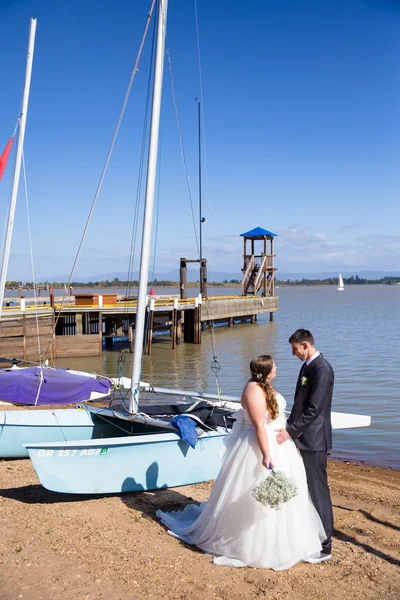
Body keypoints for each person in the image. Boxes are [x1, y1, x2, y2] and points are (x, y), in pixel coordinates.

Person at [156, 355, 326, 570]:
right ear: (266, 371)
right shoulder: (253, 390)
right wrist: (266, 454)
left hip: (280, 445)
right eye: (274, 366)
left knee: (287, 494)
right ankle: (250, 543)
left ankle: (285, 538)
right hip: (259, 447)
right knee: (255, 491)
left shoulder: (264, 385)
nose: (277, 368)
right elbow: (258, 426)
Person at [275, 329, 334, 560]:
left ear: (305, 345)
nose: (292, 353)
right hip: (304, 437)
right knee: (306, 487)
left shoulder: (322, 369)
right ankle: (312, 532)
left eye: (294, 348)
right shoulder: (308, 366)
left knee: (318, 490)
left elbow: (314, 410)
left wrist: (290, 431)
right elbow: (301, 402)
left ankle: (325, 542)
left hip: (315, 440)